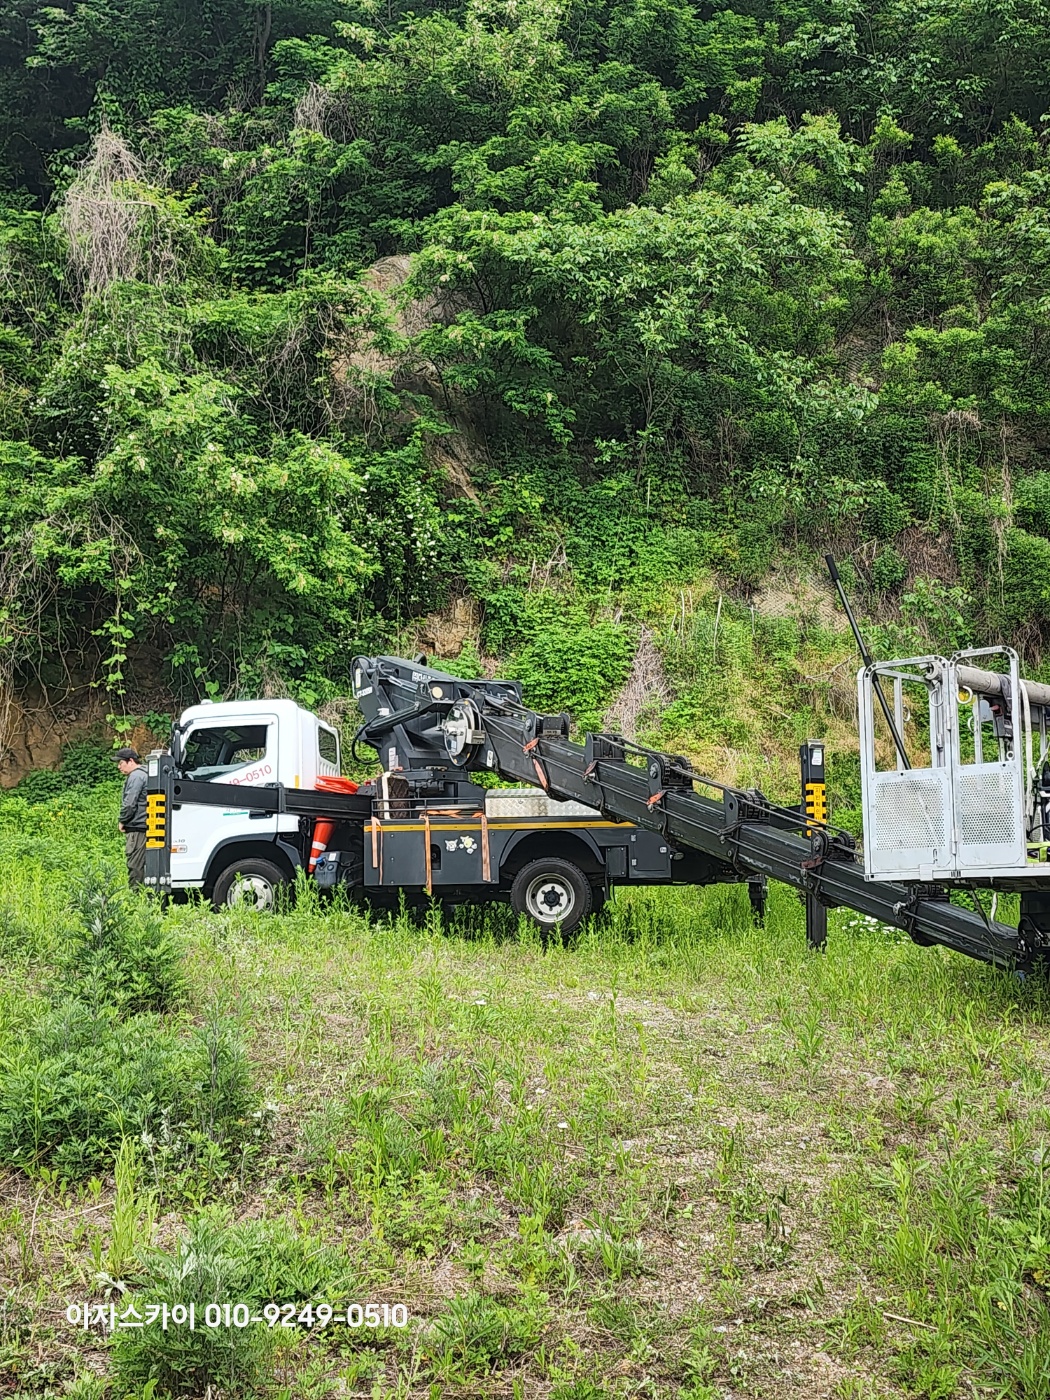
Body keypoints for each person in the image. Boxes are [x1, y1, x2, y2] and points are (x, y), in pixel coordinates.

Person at [113, 747, 148, 888]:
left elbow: (129, 803)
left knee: (135, 864)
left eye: (121, 763)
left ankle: (136, 896)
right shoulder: (146, 773)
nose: (118, 766)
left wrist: (122, 820)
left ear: (131, 761)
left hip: (137, 828)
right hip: (146, 826)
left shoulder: (136, 777)